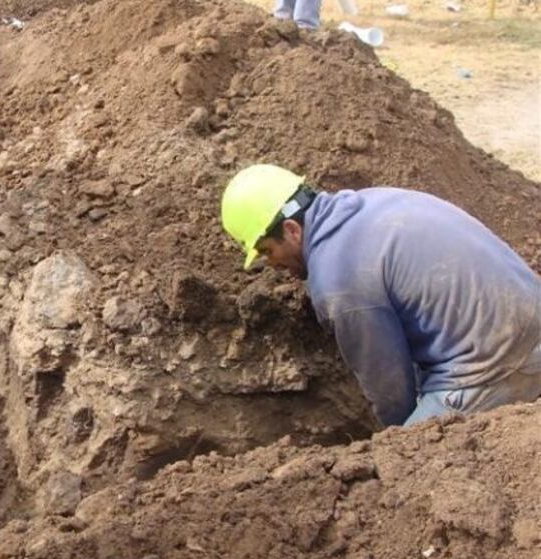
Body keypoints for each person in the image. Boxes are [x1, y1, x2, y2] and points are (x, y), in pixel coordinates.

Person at [220, 164, 541, 427]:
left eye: (267, 251)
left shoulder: (337, 280)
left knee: (409, 465)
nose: (272, 264)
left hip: (496, 365)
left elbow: (389, 388)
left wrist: (398, 442)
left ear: (292, 230)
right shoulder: (373, 201)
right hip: (528, 326)